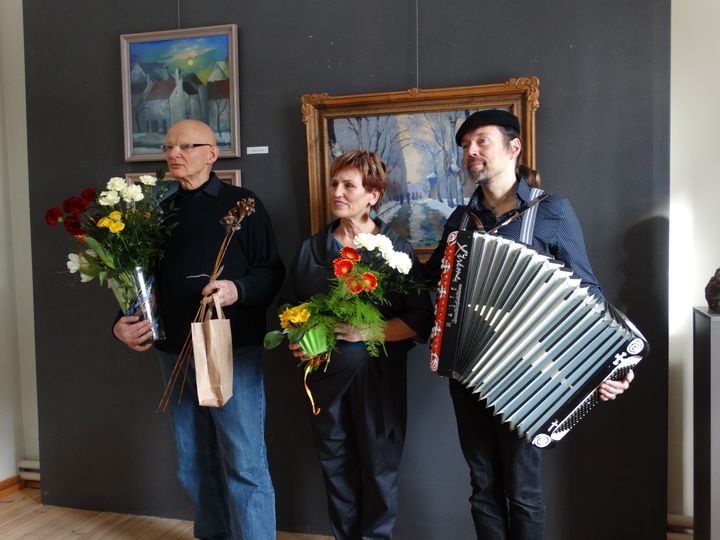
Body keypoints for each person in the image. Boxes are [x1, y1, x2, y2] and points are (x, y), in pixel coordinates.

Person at [425, 109, 634, 540]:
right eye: (465, 145)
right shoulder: (459, 221)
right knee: (482, 489)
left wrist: (614, 367)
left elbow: (587, 292)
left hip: (527, 375)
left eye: (481, 141)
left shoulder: (551, 210)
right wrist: (375, 258)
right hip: (467, 372)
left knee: (522, 491)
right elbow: (429, 282)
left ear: (513, 147)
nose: (471, 151)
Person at [113, 119, 284, 540]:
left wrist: (235, 290)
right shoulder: (158, 212)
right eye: (169, 146)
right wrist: (122, 323)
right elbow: (141, 283)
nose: (174, 153)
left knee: (244, 463)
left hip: (228, 349)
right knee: (193, 463)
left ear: (212, 153)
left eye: (186, 146)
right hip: (173, 351)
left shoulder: (243, 204)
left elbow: (271, 273)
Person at [281, 150, 434, 540]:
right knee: (336, 469)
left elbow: (421, 319)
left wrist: (370, 332)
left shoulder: (395, 251)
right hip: (325, 381)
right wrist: (298, 341)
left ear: (373, 195)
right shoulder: (312, 250)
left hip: (378, 383)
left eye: (348, 185)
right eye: (335, 183)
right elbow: (290, 309)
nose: (337, 192)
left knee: (380, 471)